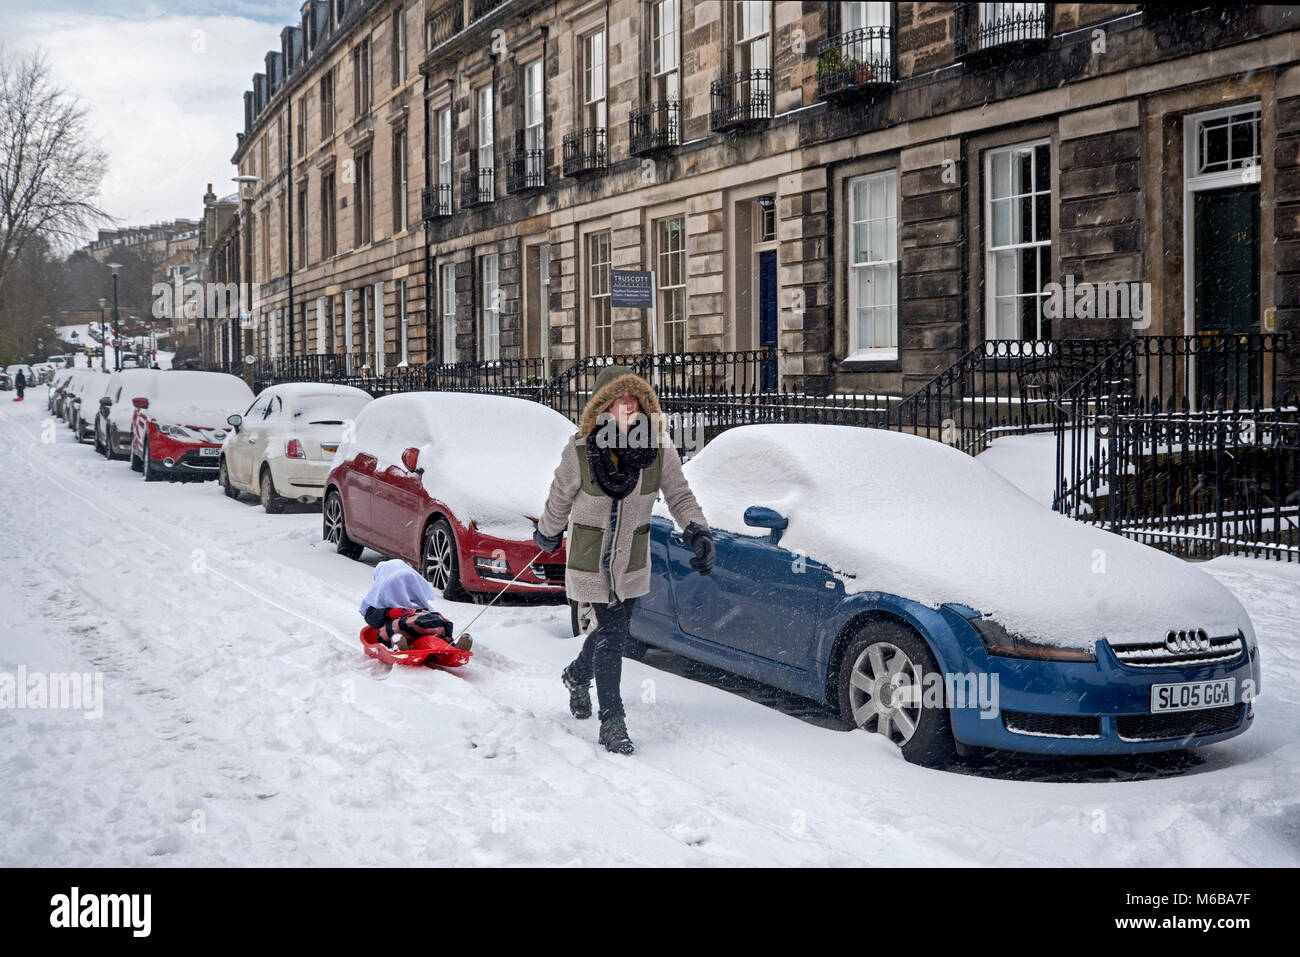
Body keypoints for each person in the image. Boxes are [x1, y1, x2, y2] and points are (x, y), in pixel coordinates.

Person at [535, 365, 714, 755]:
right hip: (591, 560)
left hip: (631, 561)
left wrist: (697, 530)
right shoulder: (580, 451)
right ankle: (611, 721)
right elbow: (560, 497)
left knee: (609, 632)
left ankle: (576, 675)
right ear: (603, 406)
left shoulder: (657, 451)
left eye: (635, 399)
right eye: (620, 398)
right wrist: (548, 532)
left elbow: (679, 495)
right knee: (614, 636)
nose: (628, 404)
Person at [358, 559, 470, 652]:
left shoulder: (416, 605)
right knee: (390, 631)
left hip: (420, 635)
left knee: (431, 629)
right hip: (406, 633)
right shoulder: (379, 605)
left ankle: (452, 648)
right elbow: (373, 619)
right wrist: (390, 613)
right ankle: (399, 646)